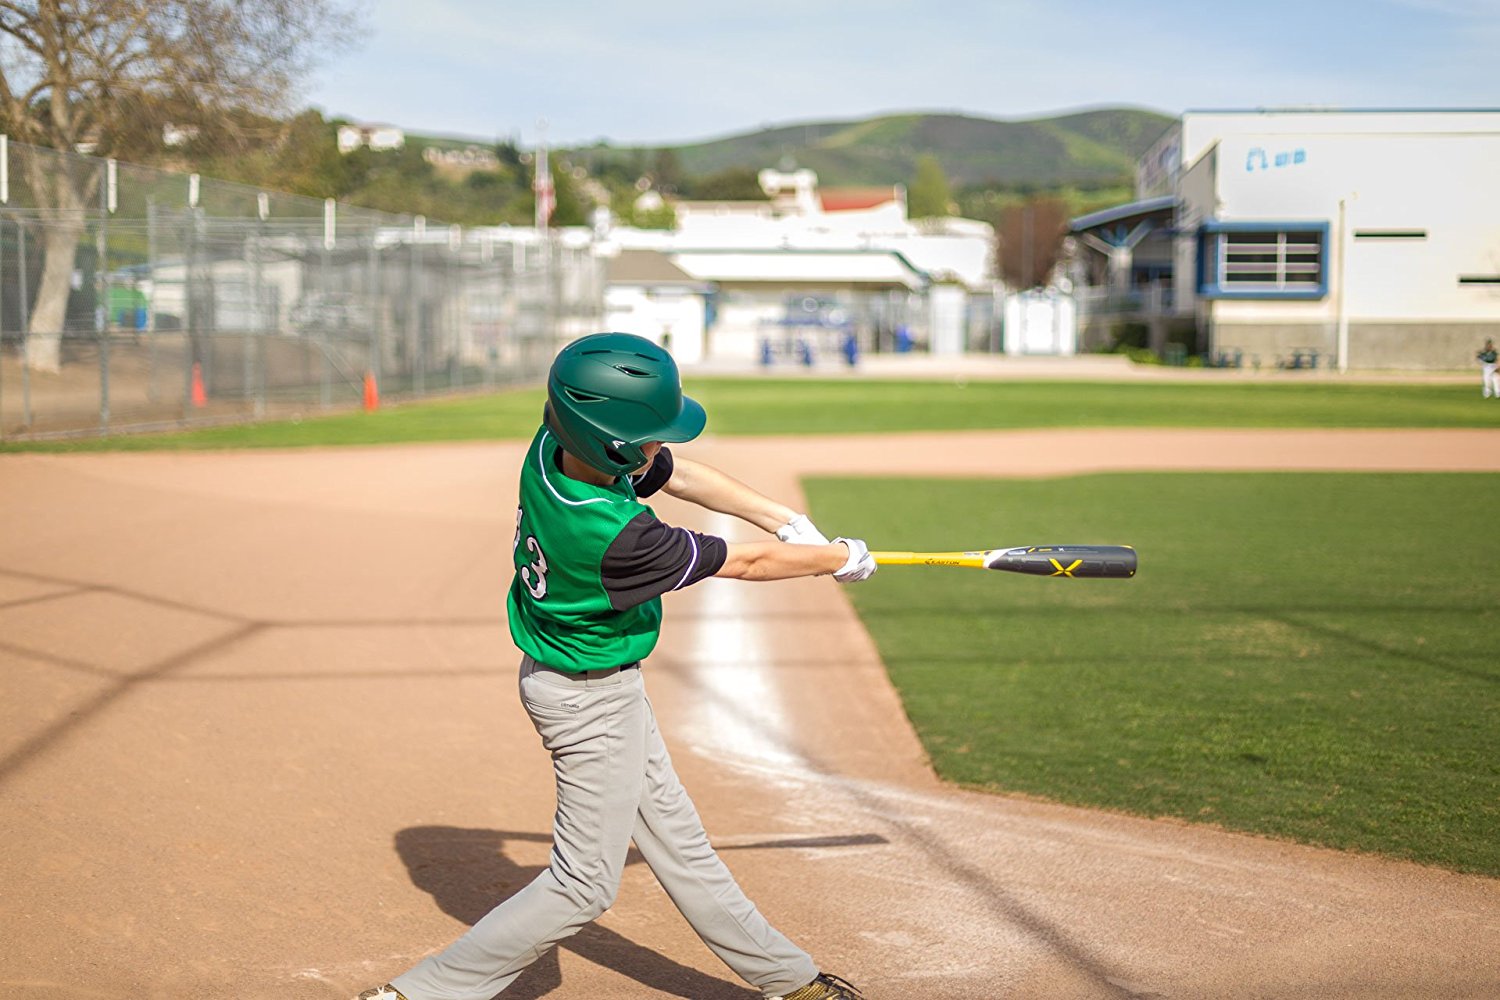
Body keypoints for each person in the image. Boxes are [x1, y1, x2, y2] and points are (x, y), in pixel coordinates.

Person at [358, 333, 873, 1000]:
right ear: (614, 444)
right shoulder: (615, 537)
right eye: (651, 437)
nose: (662, 448)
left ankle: (788, 981)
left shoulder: (554, 449)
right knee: (581, 886)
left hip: (587, 684)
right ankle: (419, 995)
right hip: (587, 701)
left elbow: (677, 475)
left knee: (678, 842)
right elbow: (741, 563)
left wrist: (785, 520)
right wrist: (838, 558)